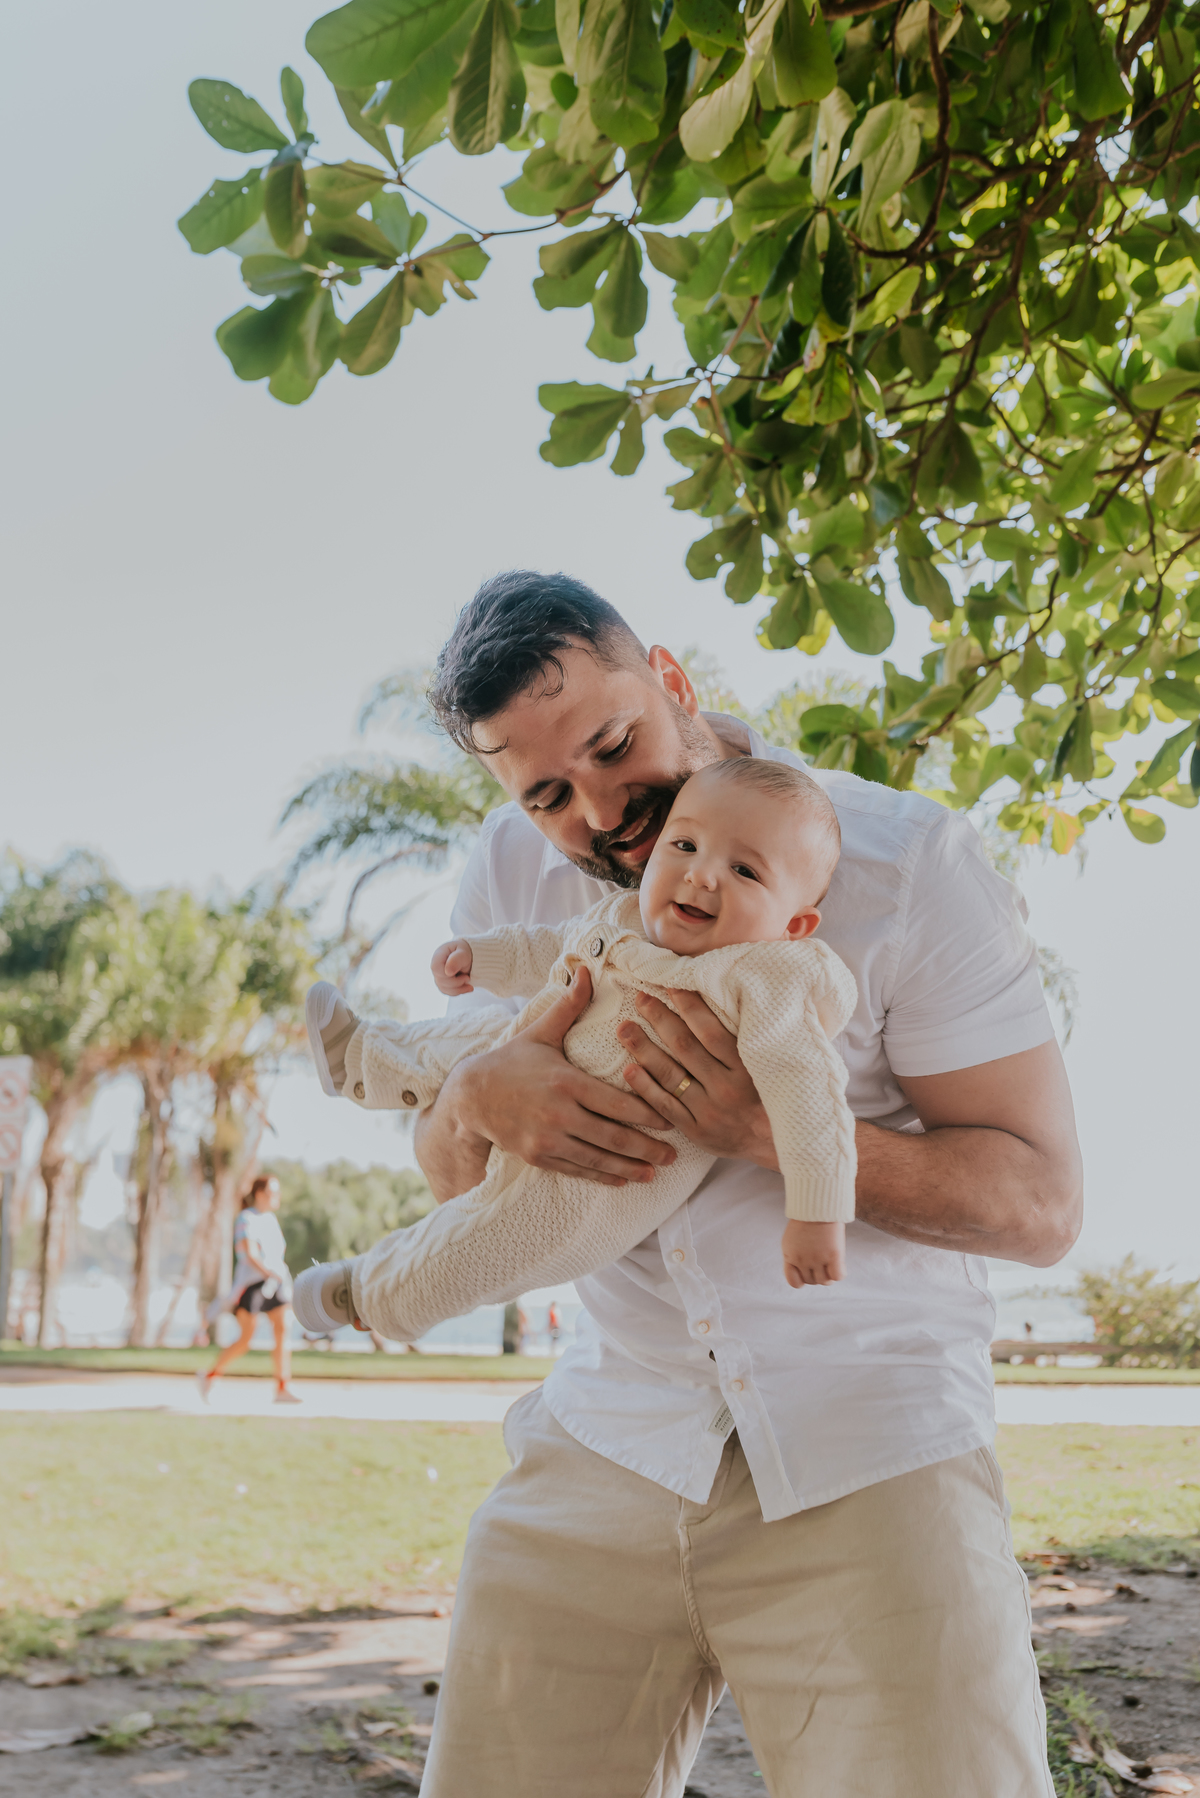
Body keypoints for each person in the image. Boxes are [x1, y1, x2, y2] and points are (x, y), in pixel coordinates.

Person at [362, 573, 1084, 1796]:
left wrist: (768, 1130)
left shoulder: (910, 865)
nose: (601, 812)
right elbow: (453, 1180)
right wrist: (478, 1098)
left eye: (612, 746)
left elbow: (1041, 1204)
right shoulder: (512, 877)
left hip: (870, 1451)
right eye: (547, 794)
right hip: (604, 1437)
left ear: (673, 682)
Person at [296, 759, 858, 1346]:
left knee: (485, 1242)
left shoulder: (766, 978)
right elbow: (549, 947)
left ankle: (368, 1294)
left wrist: (818, 1213)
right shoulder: (624, 916)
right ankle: (362, 1060)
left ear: (795, 925)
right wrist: (482, 958)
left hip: (594, 1181)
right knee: (479, 1036)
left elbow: (811, 1098)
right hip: (533, 1064)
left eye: (744, 870)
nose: (700, 876)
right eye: (685, 845)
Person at [197, 1174, 300, 1406]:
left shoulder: (271, 1219)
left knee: (283, 1328)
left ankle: (283, 1386)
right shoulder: (246, 1218)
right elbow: (250, 1254)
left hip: (275, 1283)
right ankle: (210, 1376)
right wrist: (268, 1272)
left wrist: (277, 1275)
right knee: (246, 1338)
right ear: (260, 1194)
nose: (278, 1196)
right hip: (253, 1285)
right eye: (273, 1192)